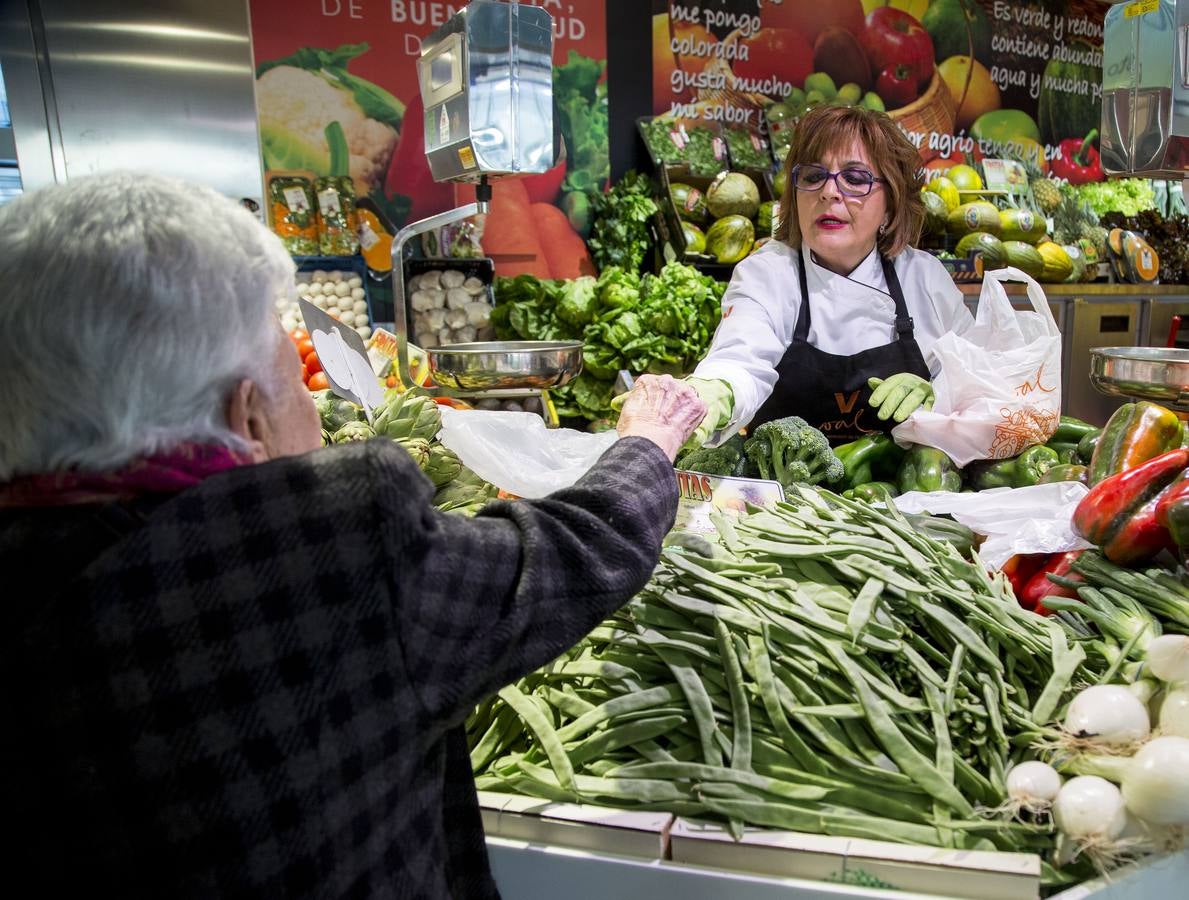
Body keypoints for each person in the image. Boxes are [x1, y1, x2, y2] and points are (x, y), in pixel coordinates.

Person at [0, 172, 705, 898]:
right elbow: (566, 556)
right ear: (247, 419)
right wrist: (646, 442)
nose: (309, 395)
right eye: (289, 372)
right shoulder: (319, 545)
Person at [686, 105, 974, 448]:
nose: (828, 192)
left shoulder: (924, 279)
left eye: (855, 179)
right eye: (812, 176)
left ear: (891, 204)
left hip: (901, 498)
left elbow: (979, 383)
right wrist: (712, 393)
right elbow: (739, 359)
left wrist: (940, 397)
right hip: (784, 498)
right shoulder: (768, 274)